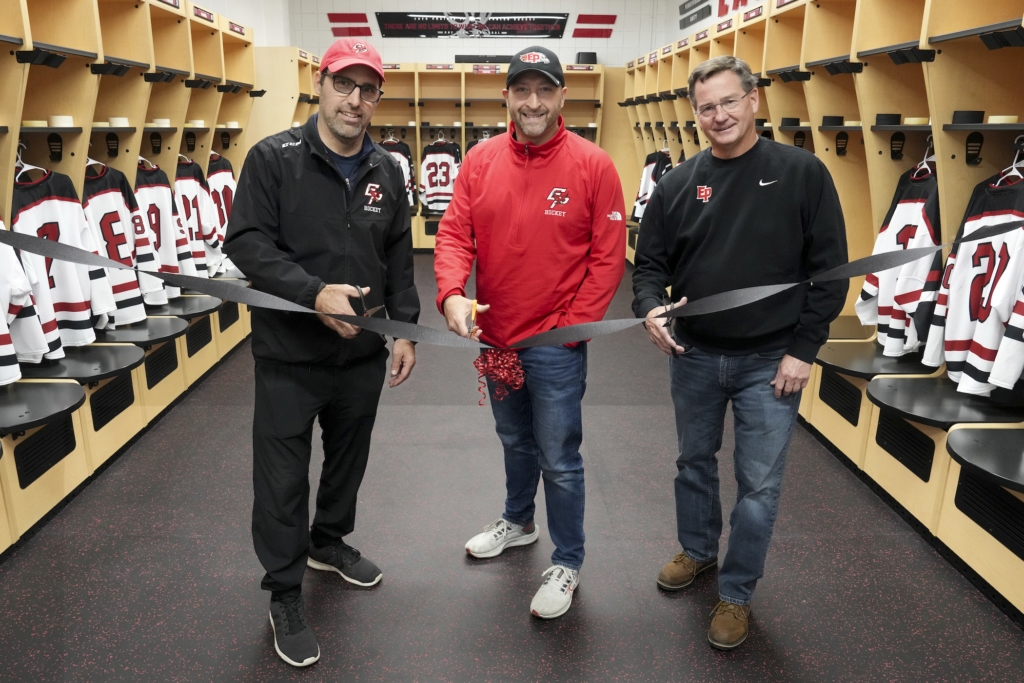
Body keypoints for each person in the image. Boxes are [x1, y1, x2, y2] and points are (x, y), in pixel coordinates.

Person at [631, 55, 848, 650]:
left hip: (771, 361)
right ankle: (699, 551)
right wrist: (648, 304)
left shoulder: (802, 172)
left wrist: (804, 349)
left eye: (730, 101)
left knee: (758, 485)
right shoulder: (677, 183)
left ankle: (737, 593)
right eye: (706, 107)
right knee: (693, 463)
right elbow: (649, 267)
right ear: (695, 114)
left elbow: (830, 272)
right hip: (694, 355)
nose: (719, 115)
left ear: (754, 100)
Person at [224, 38, 419, 668]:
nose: (355, 100)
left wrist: (406, 329)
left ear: (377, 98)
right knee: (281, 481)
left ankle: (328, 541)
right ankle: (283, 590)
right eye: (344, 85)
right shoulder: (272, 158)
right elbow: (247, 244)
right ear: (321, 83)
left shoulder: (388, 170)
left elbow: (398, 256)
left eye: (368, 90)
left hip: (360, 353)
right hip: (288, 354)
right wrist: (314, 294)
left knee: (348, 461)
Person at [434, 45, 626, 620]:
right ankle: (518, 522)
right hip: (496, 339)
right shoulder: (480, 161)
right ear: (508, 97)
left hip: (556, 347)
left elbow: (607, 257)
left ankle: (567, 560)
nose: (534, 102)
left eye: (545, 90)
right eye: (523, 90)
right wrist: (450, 294)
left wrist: (571, 330)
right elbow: (454, 235)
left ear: (563, 96)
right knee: (514, 439)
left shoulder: (594, 165)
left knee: (560, 457)